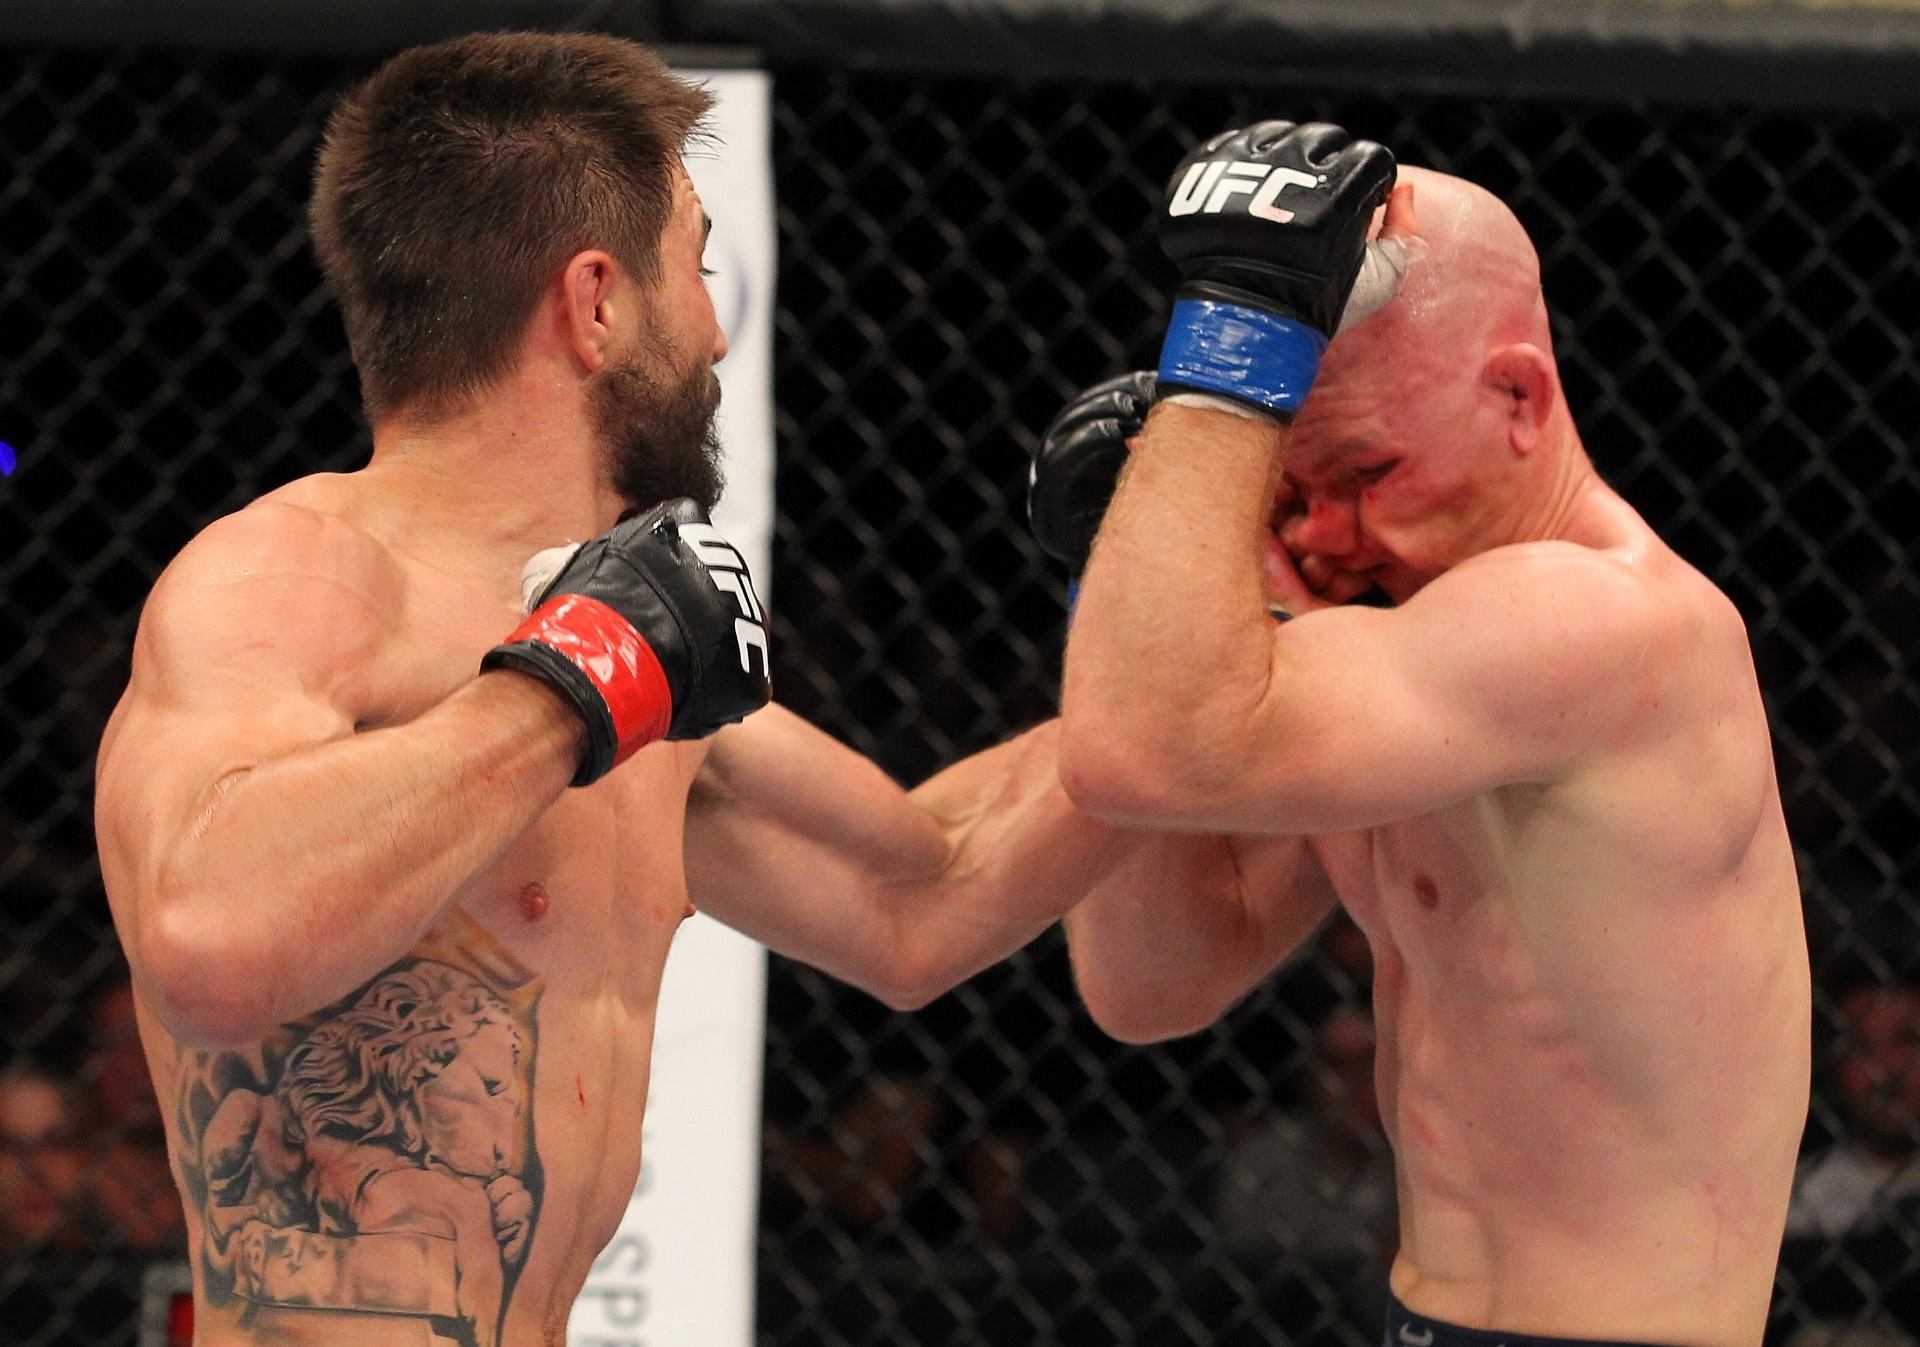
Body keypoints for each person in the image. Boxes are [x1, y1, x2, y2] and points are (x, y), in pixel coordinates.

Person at [94, 34, 1136, 1347]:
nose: (714, 328)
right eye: (694, 266)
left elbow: (922, 893)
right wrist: (567, 691)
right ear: (596, 302)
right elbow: (206, 937)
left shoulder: (629, 659)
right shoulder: (298, 578)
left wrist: (1210, 597)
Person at [1041, 122, 1810, 1347]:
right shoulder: (1414, 669)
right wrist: (1121, 573)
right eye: (1292, 493)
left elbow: (1136, 750)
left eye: (1368, 473)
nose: (1324, 534)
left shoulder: (1601, 625)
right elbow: (1154, 982)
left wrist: (1231, 354)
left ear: (1518, 396)